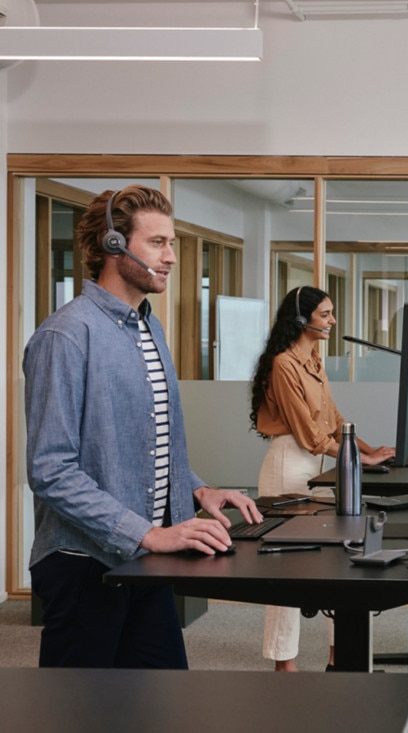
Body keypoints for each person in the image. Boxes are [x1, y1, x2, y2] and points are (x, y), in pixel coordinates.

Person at [24, 185, 263, 669]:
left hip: (144, 559)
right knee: (78, 713)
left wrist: (199, 491)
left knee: (161, 701)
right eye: (158, 242)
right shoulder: (66, 336)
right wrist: (147, 535)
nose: (172, 257)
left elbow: (151, 444)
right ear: (114, 245)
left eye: (171, 243)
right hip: (84, 564)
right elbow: (51, 469)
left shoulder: (148, 326)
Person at [249, 286, 395, 671]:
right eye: (326, 314)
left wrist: (368, 450)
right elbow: (310, 436)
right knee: (285, 570)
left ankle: (338, 655)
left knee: (335, 558)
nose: (332, 321)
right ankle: (285, 666)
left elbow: (334, 419)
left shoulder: (313, 359)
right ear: (302, 318)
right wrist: (356, 459)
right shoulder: (283, 364)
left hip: (320, 464)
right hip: (290, 466)